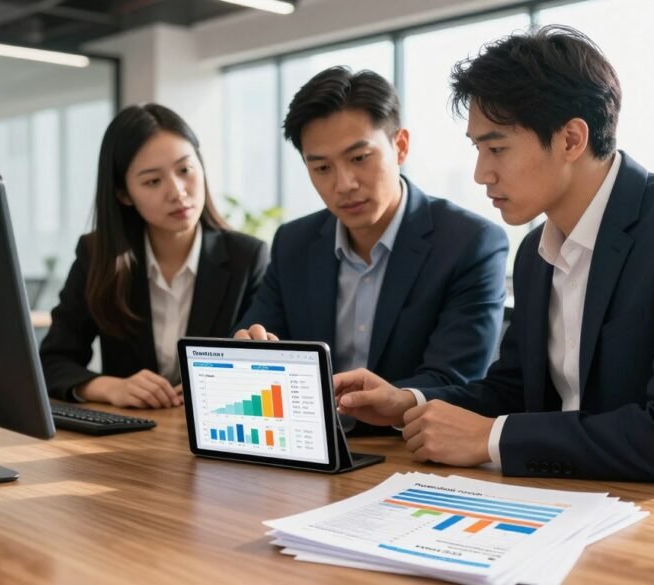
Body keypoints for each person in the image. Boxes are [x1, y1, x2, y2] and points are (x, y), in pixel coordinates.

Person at [334, 26, 654, 489]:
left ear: (571, 139)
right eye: (478, 149)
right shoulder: (537, 252)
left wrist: (493, 438)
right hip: (587, 496)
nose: (481, 173)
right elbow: (512, 390)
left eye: (497, 148)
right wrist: (409, 404)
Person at [234, 67, 509, 433]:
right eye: (321, 168)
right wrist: (248, 351)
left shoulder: (469, 242)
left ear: (400, 146)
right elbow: (257, 341)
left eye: (359, 158)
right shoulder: (294, 243)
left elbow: (454, 379)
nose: (344, 184)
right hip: (309, 446)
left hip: (409, 450)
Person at [40, 104, 269, 409]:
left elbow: (267, 364)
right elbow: (52, 361)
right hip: (130, 440)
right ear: (123, 194)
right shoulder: (98, 256)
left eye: (185, 170)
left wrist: (218, 386)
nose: (177, 192)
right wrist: (109, 388)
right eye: (152, 181)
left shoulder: (247, 257)